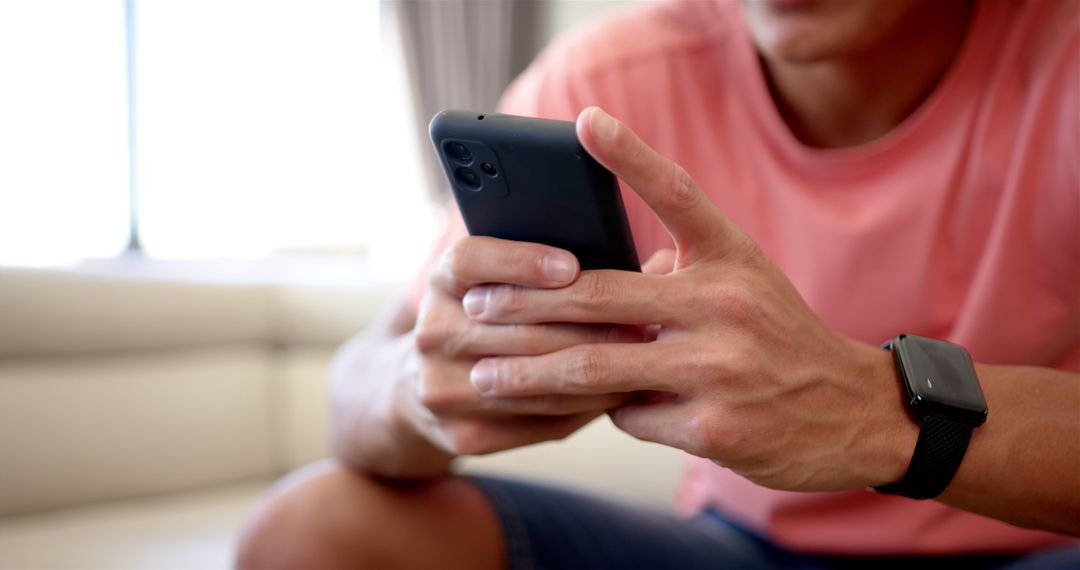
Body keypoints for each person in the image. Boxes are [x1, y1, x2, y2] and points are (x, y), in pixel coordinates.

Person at [237, 0, 1080, 567]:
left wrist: (878, 412)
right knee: (309, 531)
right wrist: (421, 391)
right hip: (738, 546)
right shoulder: (613, 78)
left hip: (1031, 541)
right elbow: (355, 387)